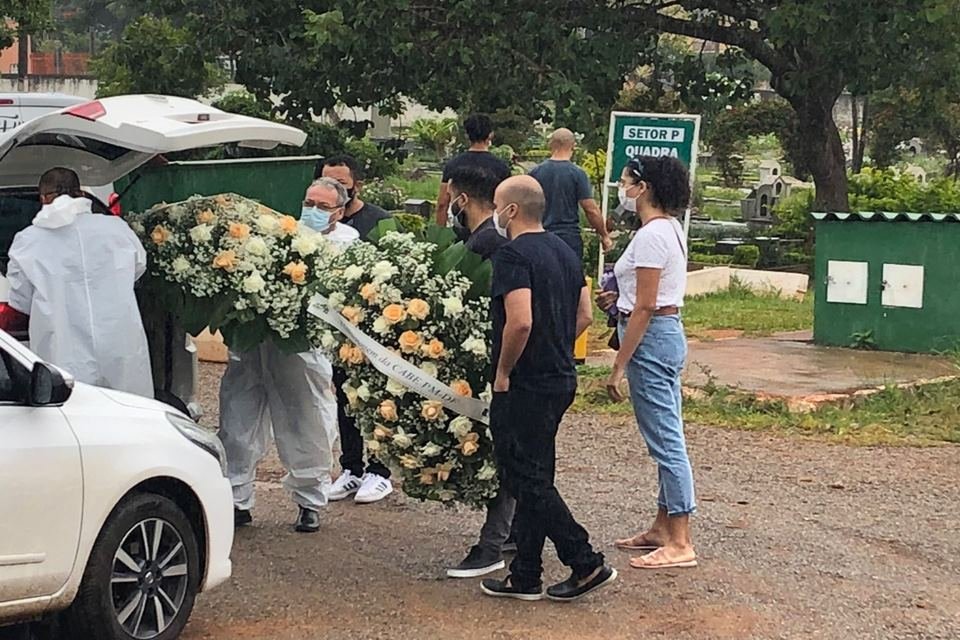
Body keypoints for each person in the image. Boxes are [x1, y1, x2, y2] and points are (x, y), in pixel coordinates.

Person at [480, 175, 617, 602]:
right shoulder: (564, 250)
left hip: (525, 380)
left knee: (524, 477)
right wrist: (556, 341)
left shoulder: (513, 256)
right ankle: (526, 572)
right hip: (560, 376)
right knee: (536, 474)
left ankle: (584, 559)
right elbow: (585, 316)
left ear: (512, 210)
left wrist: (504, 370)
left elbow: (519, 320)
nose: (495, 216)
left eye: (498, 207)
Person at [218, 177, 353, 534]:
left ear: (339, 211)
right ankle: (237, 499)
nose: (313, 211)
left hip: (303, 350)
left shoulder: (345, 245)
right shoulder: (280, 233)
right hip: (253, 343)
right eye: (309, 203)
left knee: (306, 423)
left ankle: (309, 502)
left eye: (323, 207)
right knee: (238, 418)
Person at [601, 155, 698, 570]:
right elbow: (639, 296)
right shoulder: (666, 230)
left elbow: (644, 306)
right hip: (660, 333)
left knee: (667, 441)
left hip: (651, 338)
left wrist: (619, 363)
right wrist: (615, 301)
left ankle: (680, 540)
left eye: (626, 181)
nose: (622, 188)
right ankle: (663, 525)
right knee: (664, 434)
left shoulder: (652, 236)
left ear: (643, 187)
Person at [5, 167, 153, 397]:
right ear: (81, 194)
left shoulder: (28, 240)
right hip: (118, 338)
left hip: (61, 345)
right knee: (127, 411)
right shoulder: (116, 228)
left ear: (43, 198)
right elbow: (138, 267)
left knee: (72, 416)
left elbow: (20, 299)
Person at [442, 164, 517, 578]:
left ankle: (494, 543)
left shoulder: (485, 243)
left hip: (498, 360)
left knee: (509, 455)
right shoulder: (511, 237)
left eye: (451, 196)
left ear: (463, 200)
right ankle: (515, 533)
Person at [316, 159, 396, 504]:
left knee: (374, 399)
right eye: (327, 181)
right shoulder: (314, 228)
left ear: (355, 187)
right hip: (335, 332)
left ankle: (379, 471)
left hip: (370, 329)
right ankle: (351, 467)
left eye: (341, 183)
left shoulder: (377, 221)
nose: (335, 187)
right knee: (344, 397)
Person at [529, 128, 612, 263]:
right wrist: (604, 235)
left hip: (540, 235)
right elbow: (591, 210)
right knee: (570, 279)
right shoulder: (577, 174)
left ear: (551, 144)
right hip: (568, 238)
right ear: (573, 146)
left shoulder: (535, 172)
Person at [435, 113, 511, 227]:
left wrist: (439, 235)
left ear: (467, 135)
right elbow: (507, 203)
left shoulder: (453, 165)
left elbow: (442, 203)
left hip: (460, 227)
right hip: (491, 227)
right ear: (490, 135)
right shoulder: (501, 167)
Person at [320, 154, 393, 241]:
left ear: (358, 186)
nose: (332, 189)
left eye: (340, 183)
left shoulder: (382, 221)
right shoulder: (317, 218)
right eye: (326, 183)